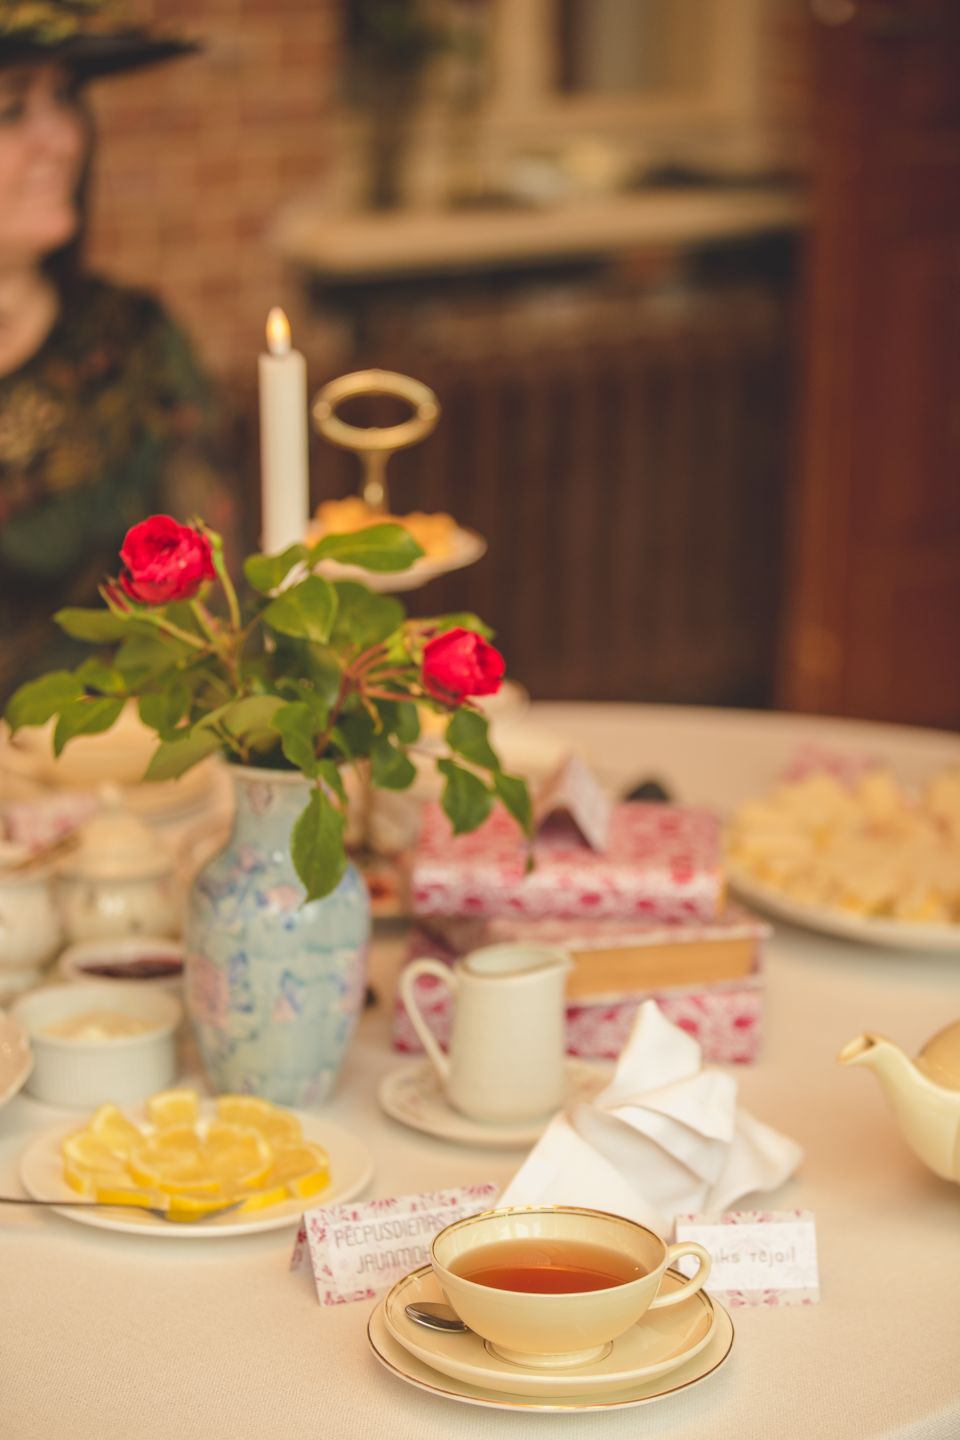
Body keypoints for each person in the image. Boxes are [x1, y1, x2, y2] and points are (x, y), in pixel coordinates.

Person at [0, 1, 234, 702]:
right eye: (12, 109)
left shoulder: (130, 346)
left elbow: (217, 611)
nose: (63, 140)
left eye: (67, 96)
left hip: (98, 750)